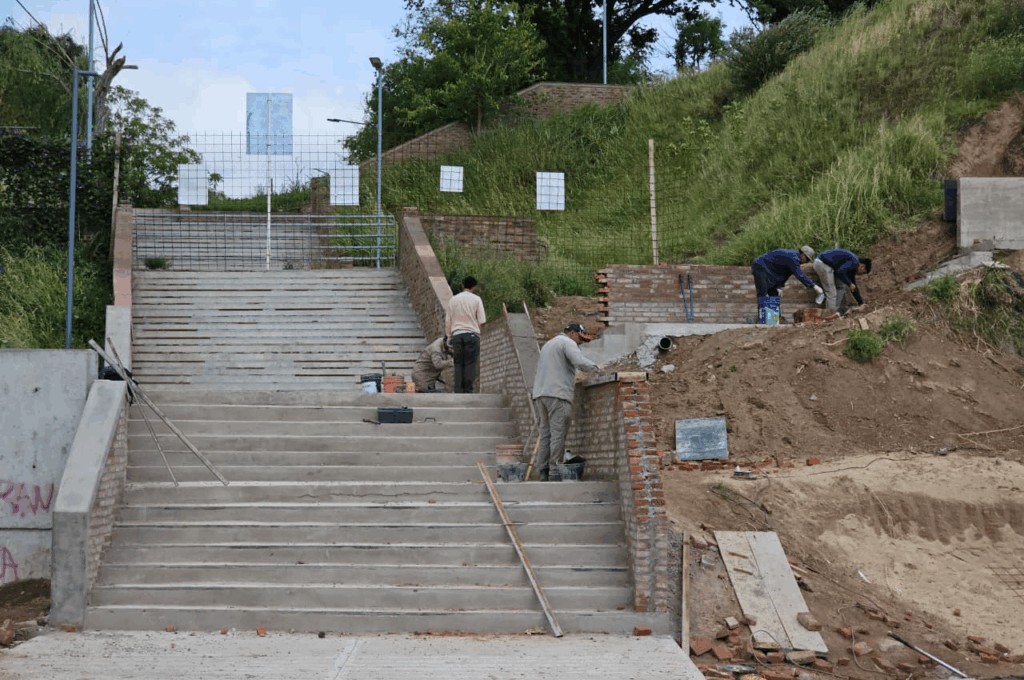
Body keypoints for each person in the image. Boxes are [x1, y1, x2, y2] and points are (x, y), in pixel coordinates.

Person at [531, 323, 600, 482]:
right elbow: (579, 361)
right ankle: (554, 473)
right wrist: (597, 369)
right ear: (573, 333)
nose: (580, 343)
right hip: (558, 395)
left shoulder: (549, 343)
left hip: (541, 394)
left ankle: (543, 471)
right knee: (558, 434)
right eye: (580, 339)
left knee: (546, 435)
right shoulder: (567, 343)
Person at [445, 275, 486, 393]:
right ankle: (468, 390)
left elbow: (448, 320)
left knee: (458, 363)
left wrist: (449, 336)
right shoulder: (476, 299)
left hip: (457, 335)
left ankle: (458, 390)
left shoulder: (453, 300)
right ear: (474, 286)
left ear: (463, 285)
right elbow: (482, 321)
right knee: (470, 363)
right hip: (472, 334)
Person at [751, 246, 825, 299]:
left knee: (774, 295)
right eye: (807, 259)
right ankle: (763, 318)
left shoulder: (794, 258)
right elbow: (800, 275)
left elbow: (785, 274)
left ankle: (774, 318)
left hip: (769, 270)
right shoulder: (793, 258)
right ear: (802, 254)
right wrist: (814, 286)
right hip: (760, 265)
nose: (806, 262)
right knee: (763, 293)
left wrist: (779, 286)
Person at [813, 249, 872, 314]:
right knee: (831, 292)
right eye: (863, 272)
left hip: (829, 266)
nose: (861, 275)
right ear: (862, 266)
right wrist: (849, 283)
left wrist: (861, 303)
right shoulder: (854, 262)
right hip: (822, 263)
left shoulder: (852, 268)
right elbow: (840, 272)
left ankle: (835, 310)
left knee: (841, 286)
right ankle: (829, 315)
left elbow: (854, 287)